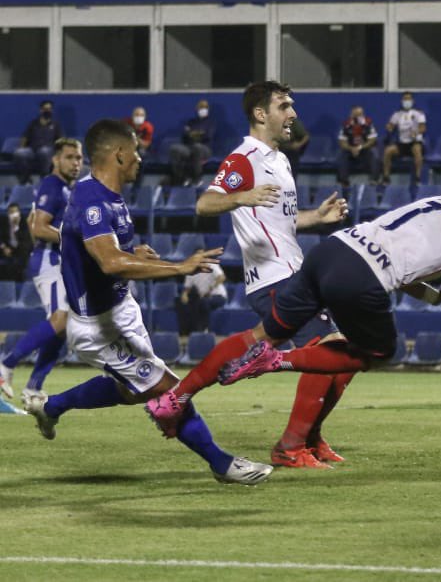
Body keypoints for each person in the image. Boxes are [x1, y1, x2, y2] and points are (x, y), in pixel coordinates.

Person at [145, 178, 441, 429]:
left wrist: (437, 294)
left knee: (260, 332)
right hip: (359, 276)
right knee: (380, 352)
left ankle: (175, 398)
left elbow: (403, 263)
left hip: (331, 251)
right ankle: (276, 363)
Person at [22, 119, 272, 485]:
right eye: (136, 150)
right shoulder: (91, 199)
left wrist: (132, 252)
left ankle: (51, 406)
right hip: (97, 328)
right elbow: (108, 261)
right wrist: (178, 267)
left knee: (129, 389)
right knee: (169, 390)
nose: (140, 158)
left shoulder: (109, 195)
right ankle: (222, 464)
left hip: (122, 311)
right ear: (119, 154)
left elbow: (104, 254)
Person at [174, 80, 352, 470]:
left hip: (293, 272)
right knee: (333, 349)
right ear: (261, 113)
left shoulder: (279, 159)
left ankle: (309, 437)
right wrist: (241, 196)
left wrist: (316, 218)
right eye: (284, 106)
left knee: (343, 360)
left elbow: (282, 222)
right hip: (274, 278)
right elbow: (205, 203)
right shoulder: (245, 157)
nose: (293, 114)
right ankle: (289, 447)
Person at [0, 138, 83, 404]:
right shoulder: (52, 184)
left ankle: (34, 387)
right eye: (70, 157)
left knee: (62, 327)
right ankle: (6, 364)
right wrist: (73, 239)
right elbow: (37, 227)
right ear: (56, 160)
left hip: (59, 260)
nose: (76, 163)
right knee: (61, 319)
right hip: (49, 259)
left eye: (79, 158)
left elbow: (33, 218)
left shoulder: (66, 189)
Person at [380, 91, 426, 185]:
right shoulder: (397, 114)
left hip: (414, 142)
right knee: (388, 151)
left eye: (409, 99)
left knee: (417, 151)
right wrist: (389, 127)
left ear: (412, 101)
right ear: (402, 101)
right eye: (405, 99)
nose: (407, 101)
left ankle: (417, 178)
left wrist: (416, 132)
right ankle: (386, 177)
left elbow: (423, 128)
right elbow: (391, 125)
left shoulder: (418, 114)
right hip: (401, 143)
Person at [14, 100, 63, 184]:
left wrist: (60, 152)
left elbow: (60, 140)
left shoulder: (55, 124)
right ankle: (25, 177)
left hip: (48, 150)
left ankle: (44, 177)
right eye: (45, 108)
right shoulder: (33, 123)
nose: (47, 110)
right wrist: (21, 147)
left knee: (44, 151)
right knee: (19, 152)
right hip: (32, 149)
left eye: (49, 109)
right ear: (41, 110)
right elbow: (25, 137)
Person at [169, 98, 216, 187]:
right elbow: (185, 136)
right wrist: (198, 134)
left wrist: (193, 134)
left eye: (205, 107)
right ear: (197, 109)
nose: (203, 109)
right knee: (175, 149)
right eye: (200, 107)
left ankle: (196, 179)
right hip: (189, 147)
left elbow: (207, 137)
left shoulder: (211, 123)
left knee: (197, 147)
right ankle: (181, 179)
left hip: (205, 149)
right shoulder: (191, 122)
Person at [174, 265, 227, 337]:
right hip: (201, 297)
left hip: (218, 296)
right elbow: (187, 288)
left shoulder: (211, 265)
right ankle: (185, 332)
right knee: (180, 302)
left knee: (203, 302)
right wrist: (184, 294)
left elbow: (222, 277)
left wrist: (211, 288)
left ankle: (204, 330)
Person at [337, 104, 378, 188]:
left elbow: (372, 139)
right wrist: (351, 148)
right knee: (341, 155)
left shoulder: (368, 123)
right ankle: (344, 182)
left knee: (374, 153)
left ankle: (374, 180)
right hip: (350, 150)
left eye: (360, 114)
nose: (358, 117)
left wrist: (360, 147)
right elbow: (342, 141)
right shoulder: (346, 125)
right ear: (351, 115)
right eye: (356, 115)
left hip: (364, 149)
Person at [0, 202, 32, 282]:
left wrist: (16, 227)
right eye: (11, 212)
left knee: (22, 258)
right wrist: (4, 247)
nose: (14, 214)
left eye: (16, 212)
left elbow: (26, 243)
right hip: (5, 248)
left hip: (20, 250)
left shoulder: (24, 223)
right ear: (8, 213)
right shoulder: (3, 221)